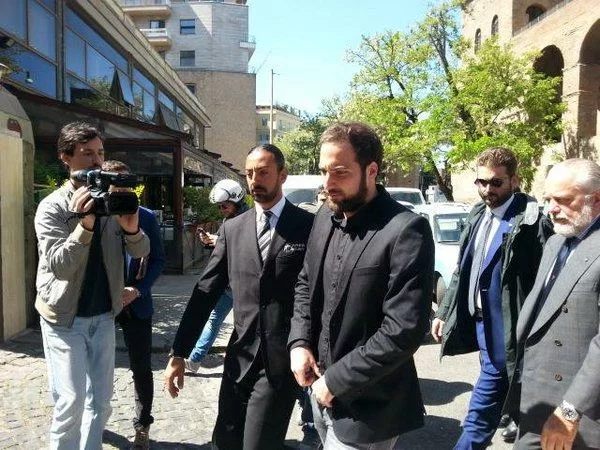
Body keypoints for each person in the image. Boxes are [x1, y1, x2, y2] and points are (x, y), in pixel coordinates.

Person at [288, 121, 435, 449]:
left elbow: (404, 330)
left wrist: (336, 380)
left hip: (369, 409)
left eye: (340, 172)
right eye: (324, 171)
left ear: (371, 171)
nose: (328, 183)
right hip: (318, 392)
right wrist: (299, 342)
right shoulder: (325, 216)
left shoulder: (406, 230)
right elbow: (305, 283)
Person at [164, 144, 314, 450]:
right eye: (249, 173)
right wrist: (179, 352)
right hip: (239, 358)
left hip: (280, 362)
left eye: (263, 172)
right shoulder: (232, 229)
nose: (255, 180)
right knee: (225, 442)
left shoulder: (308, 226)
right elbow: (205, 292)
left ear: (282, 175)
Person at [35, 122, 150, 449]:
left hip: (103, 316)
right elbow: (60, 266)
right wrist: (84, 224)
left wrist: (132, 229)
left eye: (100, 153)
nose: (97, 161)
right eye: (87, 154)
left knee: (101, 402)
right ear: (66, 157)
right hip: (63, 319)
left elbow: (141, 253)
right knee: (70, 402)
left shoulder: (113, 202)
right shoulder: (53, 207)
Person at [431, 146, 553, 450]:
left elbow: (548, 281)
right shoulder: (477, 214)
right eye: (482, 182)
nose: (488, 190)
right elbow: (462, 270)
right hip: (480, 325)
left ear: (514, 181)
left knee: (484, 402)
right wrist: (444, 312)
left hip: (508, 330)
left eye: (496, 182)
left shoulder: (531, 223)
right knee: (509, 396)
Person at [512, 158, 600, 450]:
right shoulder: (555, 243)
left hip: (580, 415)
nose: (551, 208)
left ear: (596, 199)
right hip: (536, 401)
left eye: (562, 200)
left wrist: (571, 409)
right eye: (548, 199)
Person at [102, 160, 165, 450]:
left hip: (135, 303)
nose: (120, 192)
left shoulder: (146, 216)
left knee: (141, 368)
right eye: (115, 186)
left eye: (125, 186)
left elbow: (158, 260)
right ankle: (94, 420)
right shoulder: (97, 214)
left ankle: (142, 426)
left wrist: (138, 290)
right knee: (96, 365)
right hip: (101, 303)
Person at [184, 179, 249, 373]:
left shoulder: (247, 220)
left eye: (224, 206)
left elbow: (244, 249)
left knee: (241, 324)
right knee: (216, 320)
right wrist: (212, 241)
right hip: (229, 282)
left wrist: (218, 241)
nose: (221, 209)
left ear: (236, 201)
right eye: (220, 206)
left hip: (243, 283)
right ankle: (195, 360)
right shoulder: (232, 219)